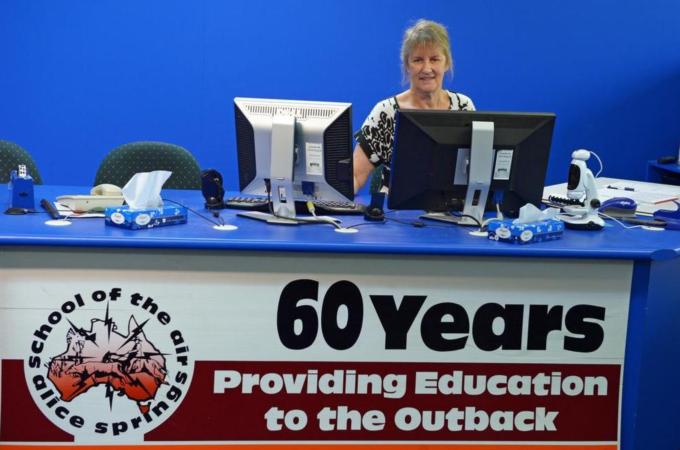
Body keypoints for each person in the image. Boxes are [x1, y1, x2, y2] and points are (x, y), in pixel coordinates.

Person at [353, 19, 475, 193]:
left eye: (434, 59)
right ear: (407, 65)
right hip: (393, 210)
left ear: (447, 63)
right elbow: (355, 175)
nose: (427, 68)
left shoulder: (464, 107)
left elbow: (476, 172)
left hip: (451, 208)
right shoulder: (386, 112)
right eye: (418, 60)